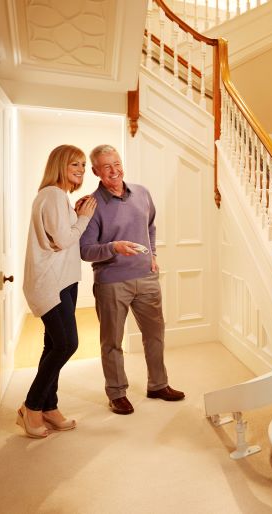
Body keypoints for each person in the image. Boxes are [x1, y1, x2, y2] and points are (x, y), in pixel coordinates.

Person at [80, 144, 184, 415]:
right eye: (106, 167)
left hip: (146, 276)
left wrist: (153, 254)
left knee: (155, 335)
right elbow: (85, 250)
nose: (114, 170)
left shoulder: (142, 193)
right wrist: (114, 247)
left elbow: (150, 226)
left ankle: (158, 384)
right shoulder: (92, 204)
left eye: (116, 163)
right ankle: (116, 393)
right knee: (112, 341)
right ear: (95, 171)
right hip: (112, 282)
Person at [19, 145, 97, 438]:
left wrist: (76, 214)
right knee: (67, 344)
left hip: (63, 281)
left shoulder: (58, 197)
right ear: (59, 165)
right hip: (51, 283)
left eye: (82, 165)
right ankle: (31, 406)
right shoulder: (52, 194)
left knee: (52, 346)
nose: (80, 170)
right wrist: (85, 217)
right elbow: (64, 240)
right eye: (73, 164)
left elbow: (61, 236)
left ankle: (49, 407)